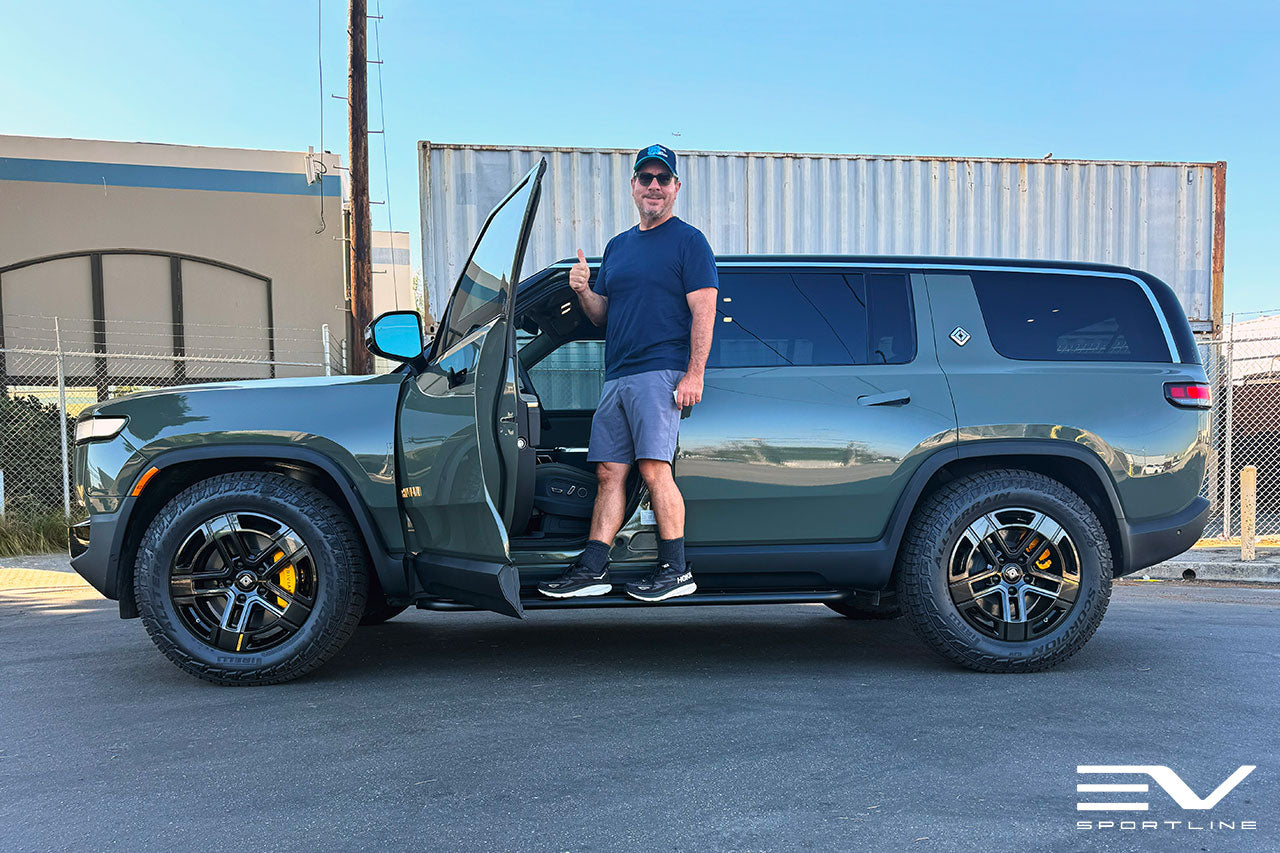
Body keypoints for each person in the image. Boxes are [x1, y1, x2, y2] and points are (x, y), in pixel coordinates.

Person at [537, 144, 718, 603]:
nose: (653, 186)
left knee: (655, 469)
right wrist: (582, 290)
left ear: (675, 187)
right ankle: (592, 570)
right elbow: (601, 317)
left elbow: (705, 311)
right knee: (608, 473)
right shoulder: (617, 247)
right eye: (645, 178)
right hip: (617, 375)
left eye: (662, 179)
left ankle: (676, 570)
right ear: (633, 186)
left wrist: (694, 373)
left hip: (661, 372)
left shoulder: (689, 241)